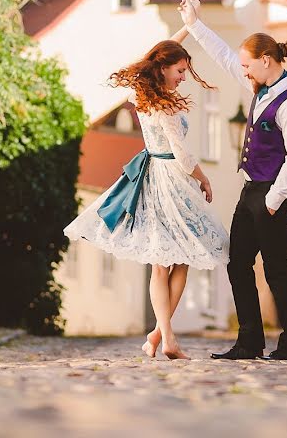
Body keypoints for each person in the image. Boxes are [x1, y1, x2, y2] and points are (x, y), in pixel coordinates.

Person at [64, 29, 229, 360]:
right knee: (179, 258)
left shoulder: (141, 95)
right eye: (180, 71)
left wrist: (187, 25)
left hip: (152, 177)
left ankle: (158, 334)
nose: (184, 77)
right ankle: (167, 337)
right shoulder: (165, 107)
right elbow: (182, 156)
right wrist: (204, 178)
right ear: (165, 68)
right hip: (171, 180)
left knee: (166, 261)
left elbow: (159, 51)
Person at [178, 0, 287, 361]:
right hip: (250, 189)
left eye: (248, 65)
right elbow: (223, 56)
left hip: (272, 195)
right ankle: (250, 341)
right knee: (238, 263)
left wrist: (272, 200)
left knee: (276, 269)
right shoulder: (259, 86)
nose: (244, 71)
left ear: (266, 60)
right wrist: (194, 25)